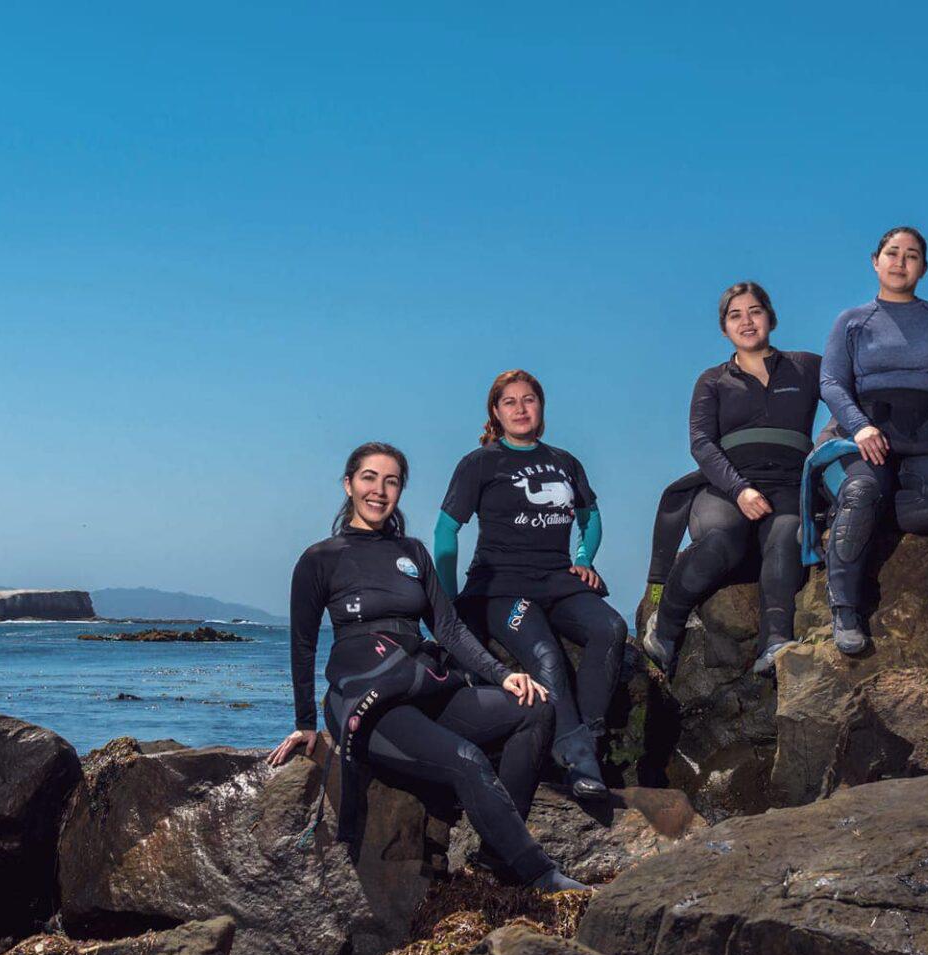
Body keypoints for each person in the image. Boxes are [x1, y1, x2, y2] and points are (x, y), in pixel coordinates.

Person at [268, 441, 586, 893]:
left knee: (535, 708)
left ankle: (497, 853)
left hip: (424, 684)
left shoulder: (413, 553)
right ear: (348, 484)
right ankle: (537, 873)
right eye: (369, 478)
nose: (379, 490)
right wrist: (305, 724)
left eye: (391, 481)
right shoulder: (321, 558)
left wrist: (503, 675)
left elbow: (450, 630)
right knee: (466, 759)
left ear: (400, 491)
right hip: (370, 700)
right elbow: (302, 644)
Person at [434, 370, 627, 801]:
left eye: (529, 400)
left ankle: (585, 740)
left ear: (541, 407)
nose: (520, 409)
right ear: (496, 413)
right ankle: (579, 763)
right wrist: (446, 604)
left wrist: (583, 560)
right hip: (501, 586)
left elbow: (589, 516)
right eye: (509, 402)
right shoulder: (480, 462)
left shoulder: (565, 461)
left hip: (558, 579)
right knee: (546, 656)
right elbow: (446, 530)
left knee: (610, 629)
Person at [816, 226, 928, 654]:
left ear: (924, 268)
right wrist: (860, 427)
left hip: (926, 435)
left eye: (911, 255)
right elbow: (832, 382)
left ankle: (869, 516)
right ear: (875, 261)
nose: (900, 262)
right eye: (892, 253)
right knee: (861, 491)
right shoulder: (852, 321)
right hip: (866, 434)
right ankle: (845, 610)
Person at [641, 282, 820, 678]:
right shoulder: (712, 380)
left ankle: (774, 643)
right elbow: (701, 443)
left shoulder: (807, 366)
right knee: (724, 540)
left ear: (770, 317)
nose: (747, 321)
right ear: (724, 329)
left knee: (786, 533)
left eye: (755, 311)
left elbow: (844, 396)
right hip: (724, 487)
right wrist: (740, 490)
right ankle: (665, 628)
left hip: (789, 485)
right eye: (735, 315)